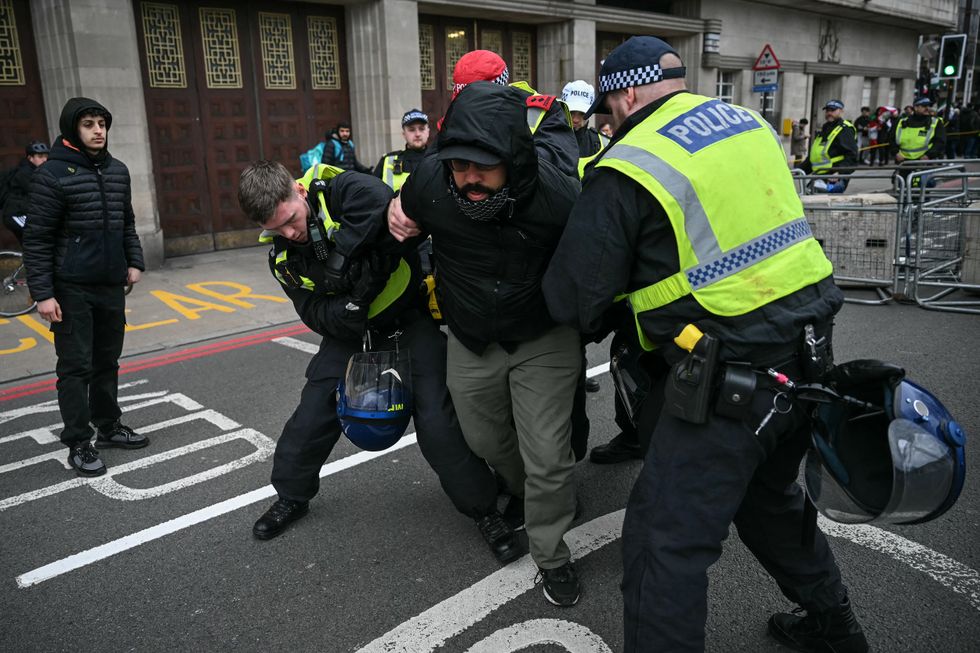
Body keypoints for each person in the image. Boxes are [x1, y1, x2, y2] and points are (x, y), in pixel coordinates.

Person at [542, 36, 867, 653]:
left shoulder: (631, 163)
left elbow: (574, 301)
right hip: (810, 354)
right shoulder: (748, 123)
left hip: (730, 382)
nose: (608, 123)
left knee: (665, 542)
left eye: (609, 110)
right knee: (770, 499)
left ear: (627, 93)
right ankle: (836, 627)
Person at [237, 160, 521, 564]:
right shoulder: (282, 258)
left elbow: (379, 203)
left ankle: (485, 511)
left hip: (409, 320)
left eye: (290, 220)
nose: (288, 233)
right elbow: (313, 313)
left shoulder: (340, 190)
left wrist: (345, 261)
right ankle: (291, 496)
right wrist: (351, 306)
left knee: (440, 425)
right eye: (275, 229)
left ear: (298, 192)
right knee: (311, 414)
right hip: (351, 332)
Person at [388, 81, 583, 606]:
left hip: (543, 335)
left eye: (483, 165)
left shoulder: (559, 196)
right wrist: (392, 212)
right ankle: (529, 491)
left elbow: (603, 256)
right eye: (459, 165)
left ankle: (552, 553)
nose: (469, 178)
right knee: (487, 441)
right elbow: (396, 214)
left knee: (546, 453)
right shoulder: (431, 180)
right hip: (471, 338)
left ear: (513, 159)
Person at [23, 97, 147, 477]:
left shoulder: (117, 171)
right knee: (75, 368)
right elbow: (37, 238)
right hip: (71, 287)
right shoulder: (52, 175)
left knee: (106, 362)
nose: (98, 131)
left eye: (102, 124)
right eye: (89, 124)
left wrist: (134, 260)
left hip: (109, 285)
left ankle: (108, 426)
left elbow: (126, 222)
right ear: (72, 129)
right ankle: (79, 440)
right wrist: (43, 294)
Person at [450, 50, 579, 178]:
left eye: (478, 102)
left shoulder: (542, 110)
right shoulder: (454, 118)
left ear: (500, 91)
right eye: (464, 102)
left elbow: (558, 163)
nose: (470, 111)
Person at [798, 99, 858, 192]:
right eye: (827, 110)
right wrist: (797, 171)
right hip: (819, 176)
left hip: (833, 177)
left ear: (841, 111)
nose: (829, 113)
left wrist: (839, 173)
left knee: (820, 203)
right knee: (808, 198)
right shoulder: (825, 129)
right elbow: (814, 158)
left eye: (833, 110)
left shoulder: (845, 129)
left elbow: (852, 156)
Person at [2, 141, 49, 244]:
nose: (45, 160)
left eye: (46, 156)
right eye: (40, 156)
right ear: (30, 158)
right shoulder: (25, 173)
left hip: (26, 212)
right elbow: (42, 193)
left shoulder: (39, 172)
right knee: (35, 238)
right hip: (17, 214)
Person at [373, 109, 431, 190]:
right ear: (404, 134)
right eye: (412, 130)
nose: (417, 134)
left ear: (428, 132)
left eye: (421, 129)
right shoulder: (388, 160)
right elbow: (373, 193)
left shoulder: (439, 159)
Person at [891, 97, 945, 168]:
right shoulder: (901, 122)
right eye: (924, 106)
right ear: (915, 107)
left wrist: (928, 155)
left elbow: (940, 142)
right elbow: (891, 139)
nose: (927, 108)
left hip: (925, 163)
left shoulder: (936, 122)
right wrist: (896, 153)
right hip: (903, 162)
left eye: (928, 106)